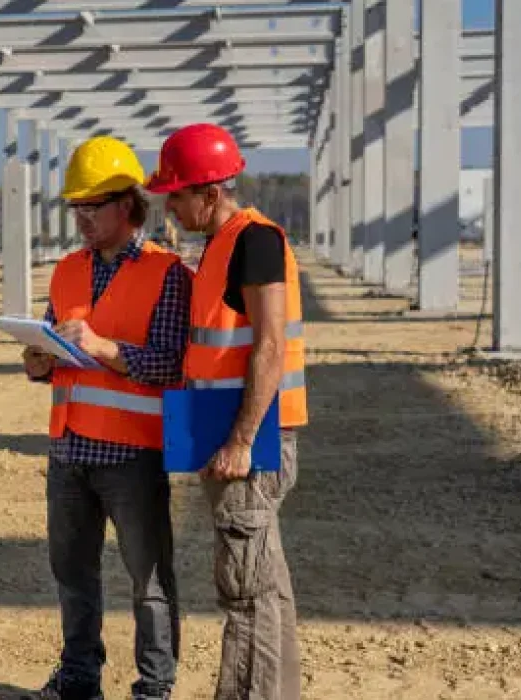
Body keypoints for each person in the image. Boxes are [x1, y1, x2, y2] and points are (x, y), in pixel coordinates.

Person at [22, 135, 192, 700]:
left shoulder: (168, 274)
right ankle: (78, 677)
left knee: (148, 582)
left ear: (127, 203)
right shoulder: (68, 270)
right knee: (73, 577)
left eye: (91, 207)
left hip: (131, 454)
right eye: (76, 208)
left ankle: (155, 686)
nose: (82, 219)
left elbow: (171, 365)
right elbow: (55, 344)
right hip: (69, 449)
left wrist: (104, 349)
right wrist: (39, 360)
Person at [145, 123, 309, 700]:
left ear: (210, 193)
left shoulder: (255, 241)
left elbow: (267, 346)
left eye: (177, 193)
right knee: (268, 588)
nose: (169, 203)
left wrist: (240, 439)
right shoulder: (219, 245)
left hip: (251, 443)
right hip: (231, 435)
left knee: (245, 594)